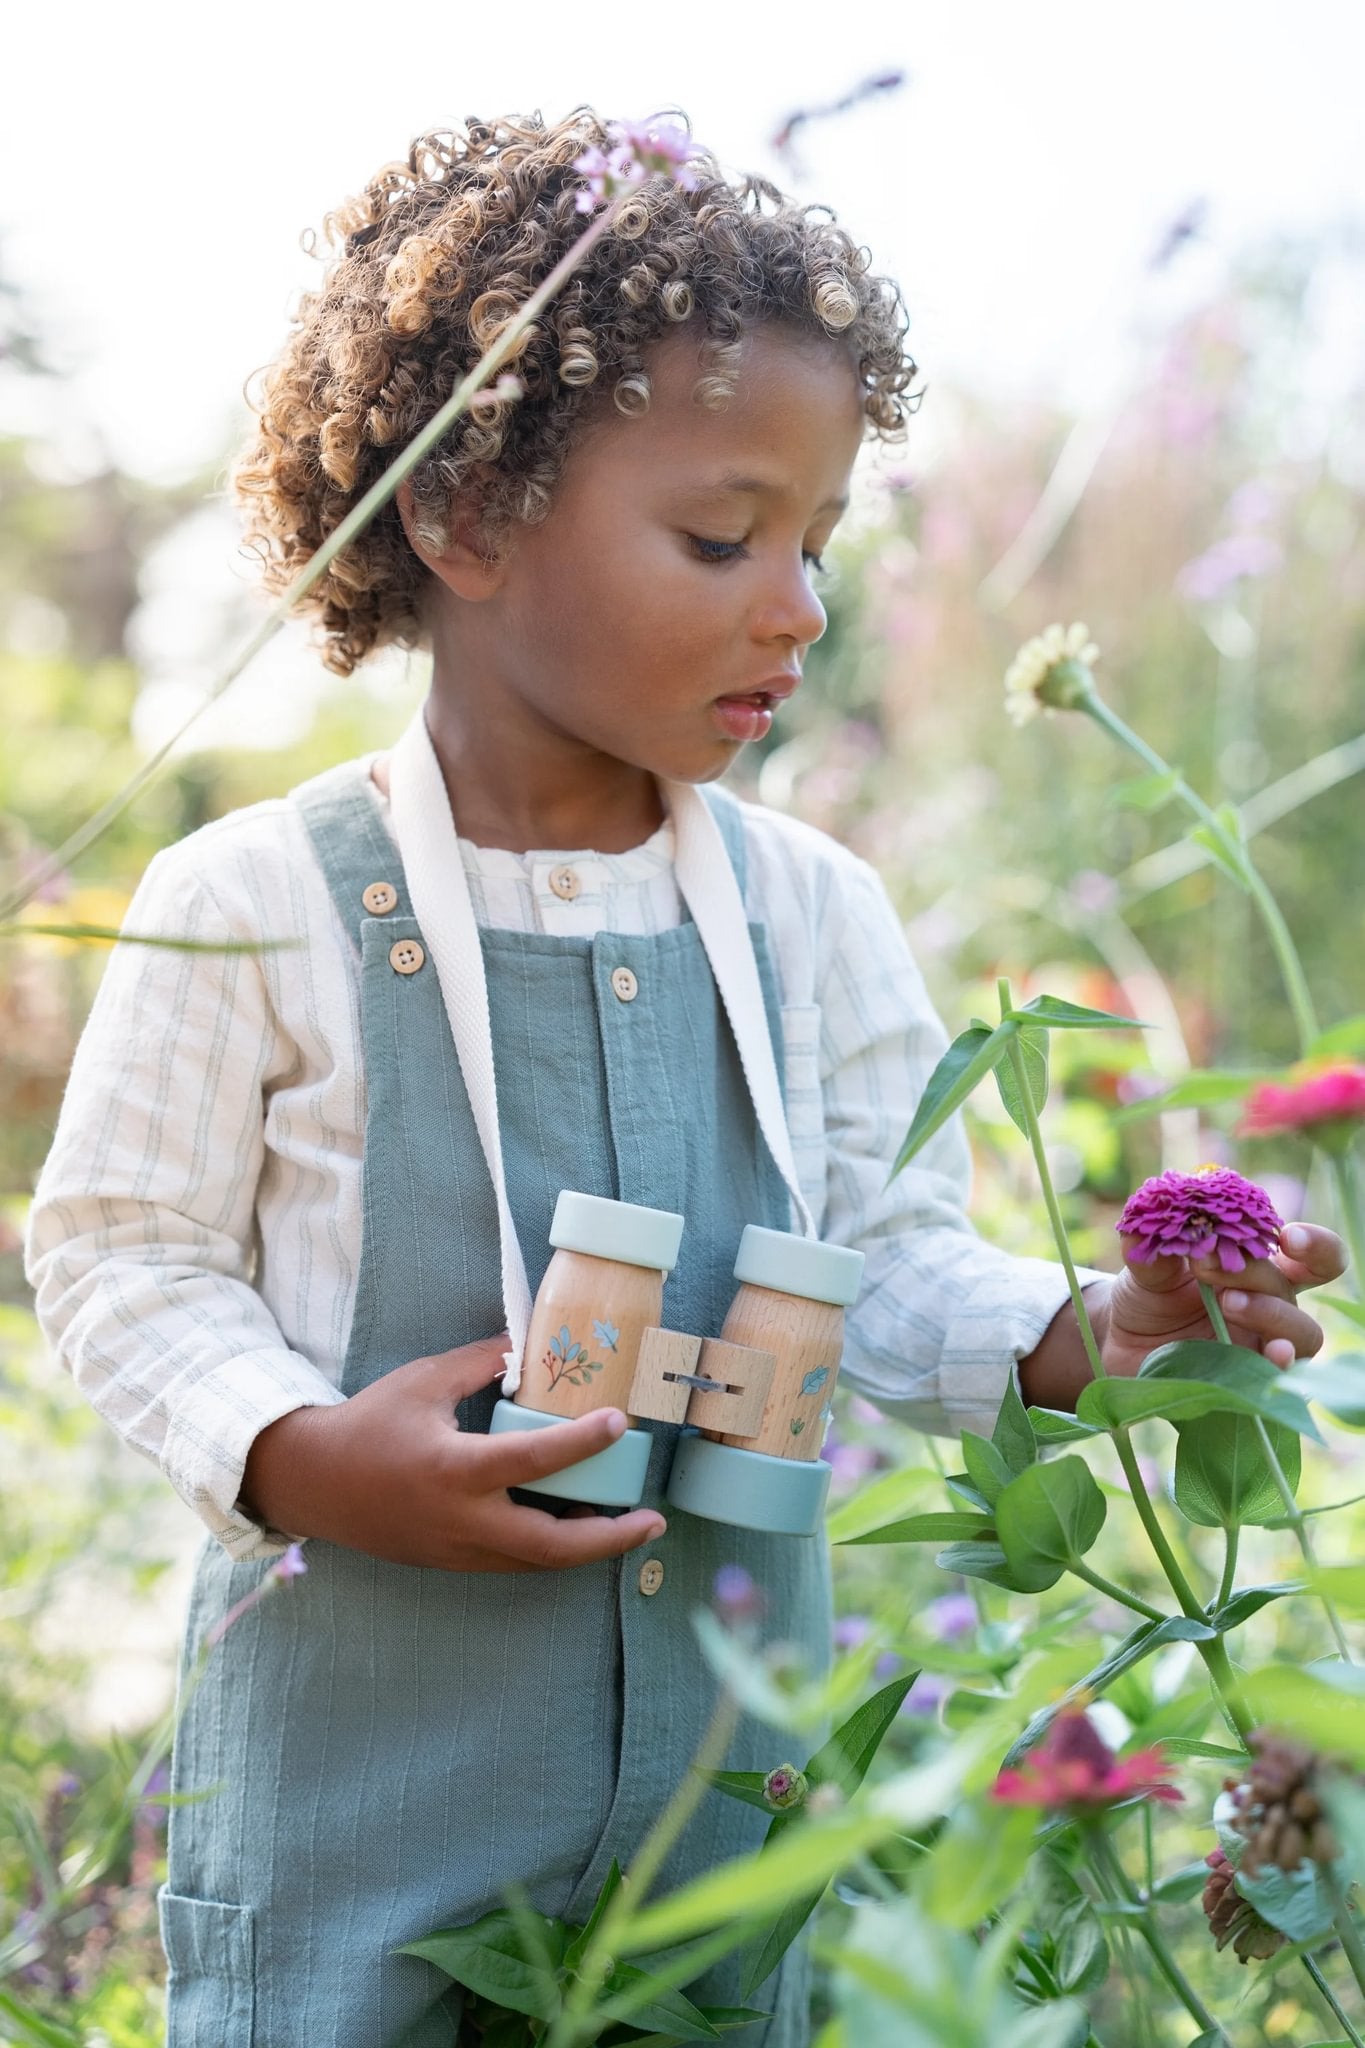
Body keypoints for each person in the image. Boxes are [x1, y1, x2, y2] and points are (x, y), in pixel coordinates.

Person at [24, 111, 1343, 2048]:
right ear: (463, 517)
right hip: (358, 1826)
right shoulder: (259, 898)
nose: (794, 604)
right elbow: (120, 1254)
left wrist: (1089, 1325)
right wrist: (298, 1452)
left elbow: (882, 1256)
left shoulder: (807, 913)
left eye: (813, 545)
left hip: (724, 1820)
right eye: (722, 538)